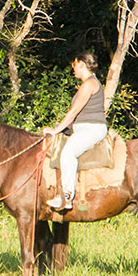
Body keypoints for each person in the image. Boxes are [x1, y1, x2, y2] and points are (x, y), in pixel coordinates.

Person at [42, 51, 107, 211]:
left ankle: (66, 196)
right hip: (82, 128)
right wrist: (64, 127)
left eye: (75, 65)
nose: (73, 69)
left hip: (92, 129)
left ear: (83, 65)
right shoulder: (87, 84)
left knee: (68, 153)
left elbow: (73, 112)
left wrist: (56, 131)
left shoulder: (89, 84)